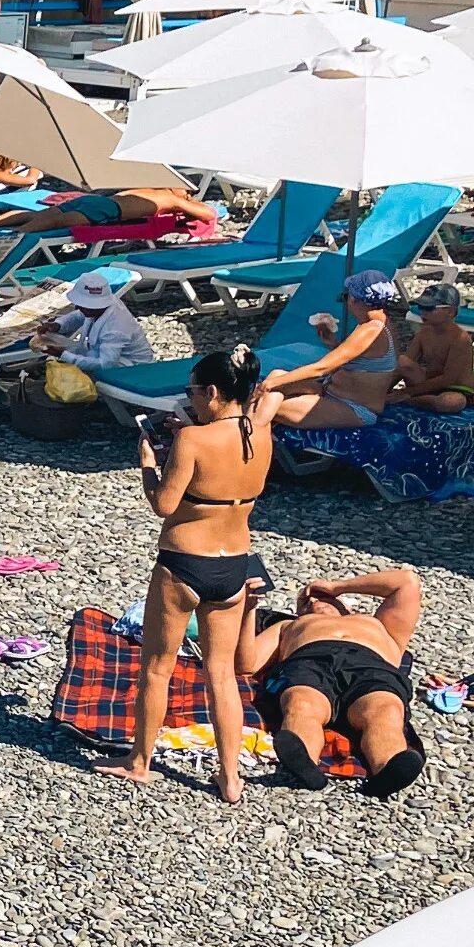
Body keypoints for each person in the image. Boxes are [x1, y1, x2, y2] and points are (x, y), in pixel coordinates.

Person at [96, 345, 278, 804]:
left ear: (213, 392)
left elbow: (164, 504)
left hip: (185, 562)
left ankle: (138, 762)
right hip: (235, 561)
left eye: (194, 391)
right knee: (221, 672)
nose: (190, 399)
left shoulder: (193, 441)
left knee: (158, 667)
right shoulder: (261, 432)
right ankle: (231, 777)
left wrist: (148, 462)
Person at [240, 568, 428, 797]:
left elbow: (406, 582)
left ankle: (387, 771)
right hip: (309, 661)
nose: (313, 600)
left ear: (346, 606)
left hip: (370, 665)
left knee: (385, 711)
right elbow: (246, 665)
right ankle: (305, 765)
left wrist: (336, 586)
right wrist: (249, 611)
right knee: (301, 704)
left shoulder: (379, 624)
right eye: (305, 601)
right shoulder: (288, 626)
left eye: (322, 597)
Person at [264, 270, 402, 431]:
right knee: (277, 376)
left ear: (354, 299)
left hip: (353, 407)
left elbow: (320, 369)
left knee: (265, 403)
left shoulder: (370, 330)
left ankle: (246, 449)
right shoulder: (380, 322)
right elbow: (362, 363)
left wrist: (269, 385)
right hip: (333, 393)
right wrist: (333, 344)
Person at [29, 269, 155, 369]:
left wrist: (62, 355)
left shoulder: (116, 329)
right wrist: (57, 325)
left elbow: (105, 364)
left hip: (131, 367)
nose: (78, 306)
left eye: (83, 305)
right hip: (104, 355)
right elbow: (80, 315)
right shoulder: (101, 307)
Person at [0, 185, 221, 236]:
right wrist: (190, 204)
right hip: (108, 209)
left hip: (95, 200)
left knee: (42, 215)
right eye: (187, 192)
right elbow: (210, 214)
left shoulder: (146, 189)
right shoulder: (171, 198)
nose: (187, 195)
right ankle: (19, 235)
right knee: (56, 222)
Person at [391, 282, 474, 412]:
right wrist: (384, 389)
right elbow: (404, 364)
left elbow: (449, 378)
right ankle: (387, 397)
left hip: (456, 388)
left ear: (450, 311)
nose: (422, 313)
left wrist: (406, 392)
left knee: (452, 402)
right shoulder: (423, 332)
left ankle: (409, 400)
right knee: (402, 361)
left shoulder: (460, 339)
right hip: (429, 383)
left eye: (429, 308)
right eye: (421, 307)